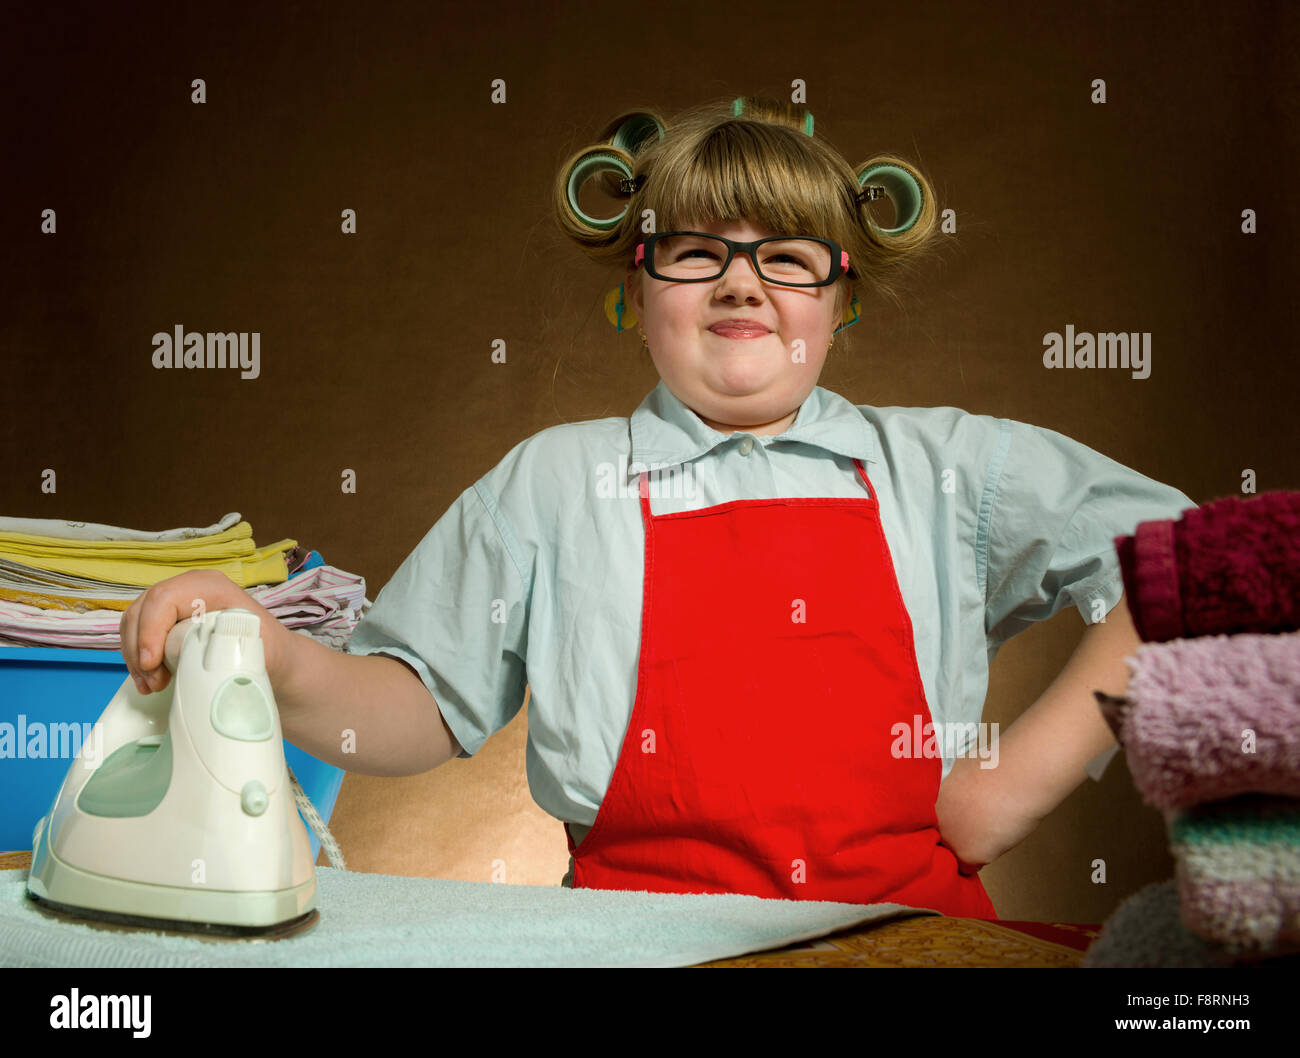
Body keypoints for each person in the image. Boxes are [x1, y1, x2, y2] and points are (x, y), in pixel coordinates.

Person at [120, 97, 1195, 918]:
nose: (741, 285)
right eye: (694, 254)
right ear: (634, 290)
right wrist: (274, 654)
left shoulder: (944, 466)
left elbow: (1189, 560)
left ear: (841, 297)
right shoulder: (550, 481)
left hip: (907, 939)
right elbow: (414, 708)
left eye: (785, 257)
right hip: (633, 945)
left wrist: (1011, 785)